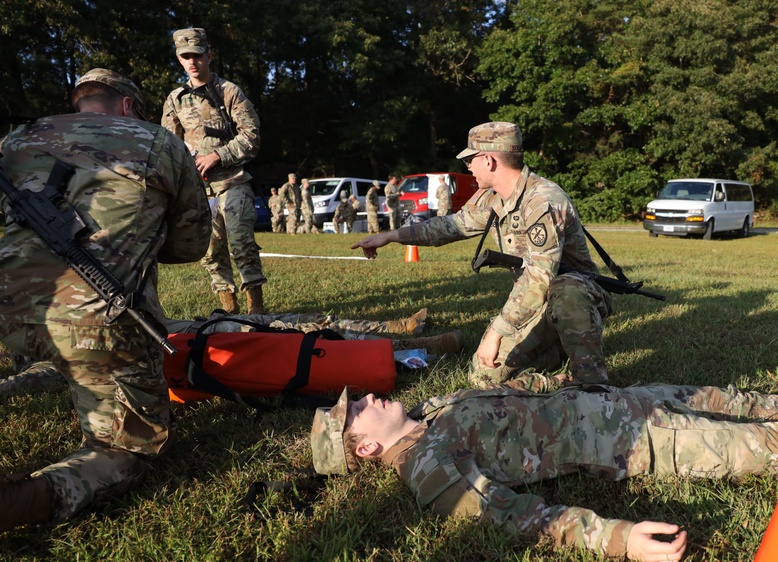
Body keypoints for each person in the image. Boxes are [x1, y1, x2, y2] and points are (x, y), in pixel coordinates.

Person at [312, 349, 778, 562]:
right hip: (634, 443)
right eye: (358, 409)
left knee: (725, 396)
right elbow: (504, 514)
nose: (370, 393)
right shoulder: (426, 467)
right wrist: (615, 537)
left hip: (614, 401)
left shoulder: (427, 418)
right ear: (364, 446)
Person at [0, 68, 212, 534]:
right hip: (97, 323)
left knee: (51, 354)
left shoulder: (17, 141)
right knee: (131, 448)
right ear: (126, 105)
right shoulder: (159, 142)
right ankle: (21, 500)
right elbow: (191, 245)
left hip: (8, 310)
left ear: (79, 101)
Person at [353, 122, 611, 392]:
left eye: (470, 159)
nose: (468, 167)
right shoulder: (493, 198)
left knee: (566, 288)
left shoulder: (542, 200)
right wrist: (392, 236)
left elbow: (539, 277)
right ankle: (558, 356)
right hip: (538, 305)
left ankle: (589, 380)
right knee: (483, 377)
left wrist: (497, 330)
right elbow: (449, 227)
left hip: (576, 298)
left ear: (488, 160)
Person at [2, 308, 464, 400]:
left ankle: (401, 337)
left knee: (292, 329)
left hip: (165, 333)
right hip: (152, 348)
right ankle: (405, 343)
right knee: (296, 338)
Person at [161, 27, 266, 315]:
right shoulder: (175, 99)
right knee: (210, 252)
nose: (192, 62)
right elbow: (167, 146)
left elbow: (252, 136)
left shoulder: (228, 91)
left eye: (197, 55)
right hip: (198, 189)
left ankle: (256, 310)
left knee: (241, 243)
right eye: (185, 57)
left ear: (209, 55)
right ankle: (228, 311)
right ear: (179, 60)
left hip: (232, 181)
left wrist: (217, 156)